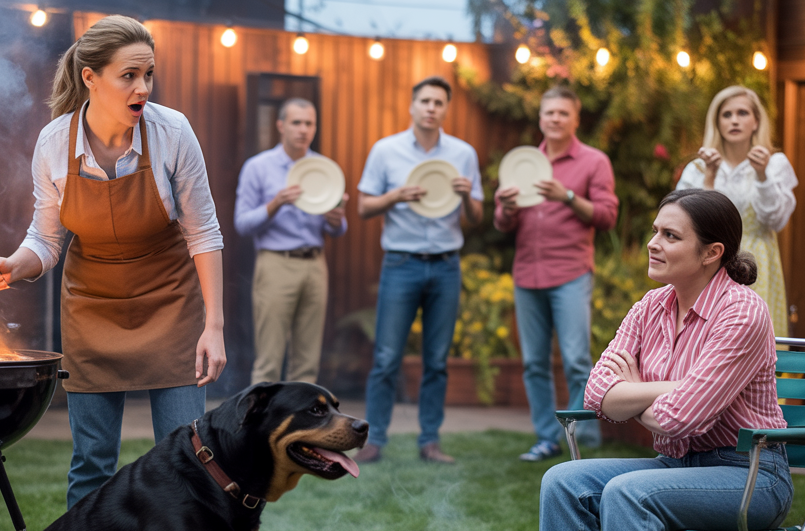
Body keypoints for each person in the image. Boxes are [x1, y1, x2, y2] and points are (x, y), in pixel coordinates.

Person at [485, 189, 791, 531]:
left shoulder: (742, 314)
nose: (653, 244)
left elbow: (682, 419)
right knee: (563, 479)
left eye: (670, 236)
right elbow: (596, 393)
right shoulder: (651, 306)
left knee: (630, 491)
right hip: (677, 467)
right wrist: (670, 387)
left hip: (750, 476)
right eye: (656, 230)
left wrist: (639, 394)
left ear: (711, 252)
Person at [0, 15, 226, 510]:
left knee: (184, 460)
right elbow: (45, 240)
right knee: (91, 461)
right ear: (90, 77)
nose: (142, 88)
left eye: (148, 75)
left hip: (171, 304)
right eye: (128, 75)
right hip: (92, 307)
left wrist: (213, 326)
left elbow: (204, 233)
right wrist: (12, 265)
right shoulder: (53, 142)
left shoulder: (172, 132)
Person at [352, 76, 483, 465]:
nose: (431, 108)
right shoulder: (386, 150)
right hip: (401, 263)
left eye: (439, 102)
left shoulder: (463, 154)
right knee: (387, 357)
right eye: (425, 101)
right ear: (412, 106)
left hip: (446, 265)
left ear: (446, 109)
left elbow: (476, 216)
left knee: (437, 360)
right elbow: (363, 207)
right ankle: (373, 439)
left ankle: (430, 441)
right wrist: (396, 196)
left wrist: (465, 196)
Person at [495, 86, 618, 461]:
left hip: (570, 273)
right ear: (540, 118)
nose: (555, 119)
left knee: (577, 360)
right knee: (534, 363)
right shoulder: (522, 163)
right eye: (549, 113)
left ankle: (583, 440)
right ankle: (547, 437)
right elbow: (502, 224)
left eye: (563, 113)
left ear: (575, 119)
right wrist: (505, 207)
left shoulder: (594, 161)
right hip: (527, 275)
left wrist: (565, 195)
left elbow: (607, 216)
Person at [235, 98, 348, 385]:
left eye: (309, 123)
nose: (303, 129)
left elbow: (337, 228)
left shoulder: (325, 169)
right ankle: (259, 427)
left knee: (308, 362)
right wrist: (276, 203)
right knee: (269, 360)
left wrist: (336, 220)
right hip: (276, 264)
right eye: (297, 122)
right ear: (281, 125)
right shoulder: (258, 167)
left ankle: (303, 427)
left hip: (315, 264)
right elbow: (242, 223)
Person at [677, 85, 796, 340]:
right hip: (707, 259)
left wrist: (762, 175)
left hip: (758, 257)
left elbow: (776, 220)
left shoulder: (774, 163)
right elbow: (685, 223)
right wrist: (709, 176)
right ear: (717, 122)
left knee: (754, 336)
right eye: (726, 114)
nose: (734, 120)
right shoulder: (698, 167)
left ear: (756, 121)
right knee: (707, 336)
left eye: (742, 113)